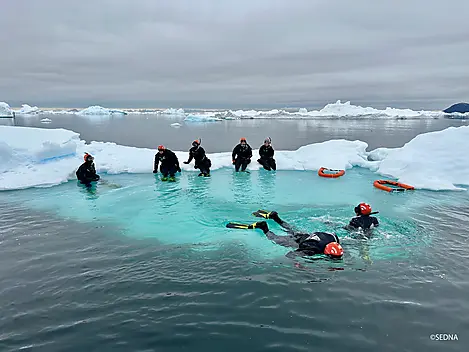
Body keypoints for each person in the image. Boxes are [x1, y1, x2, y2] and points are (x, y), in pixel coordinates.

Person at [226, 209, 343, 259]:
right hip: (300, 241)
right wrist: (299, 264)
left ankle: (276, 218)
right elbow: (290, 254)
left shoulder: (333, 238)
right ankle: (264, 227)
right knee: (275, 239)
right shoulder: (312, 250)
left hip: (307, 235)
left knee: (291, 228)